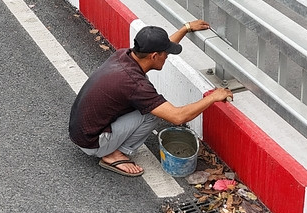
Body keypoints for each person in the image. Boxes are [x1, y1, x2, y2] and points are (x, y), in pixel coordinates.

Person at [68, 22, 234, 177]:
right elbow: (178, 117)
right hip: (92, 142)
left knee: (147, 101)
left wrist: (186, 28)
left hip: (81, 129)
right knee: (151, 114)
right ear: (154, 56)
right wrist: (213, 97)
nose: (167, 56)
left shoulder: (124, 55)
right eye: (165, 54)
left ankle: (111, 145)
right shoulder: (135, 85)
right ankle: (114, 154)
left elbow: (159, 48)